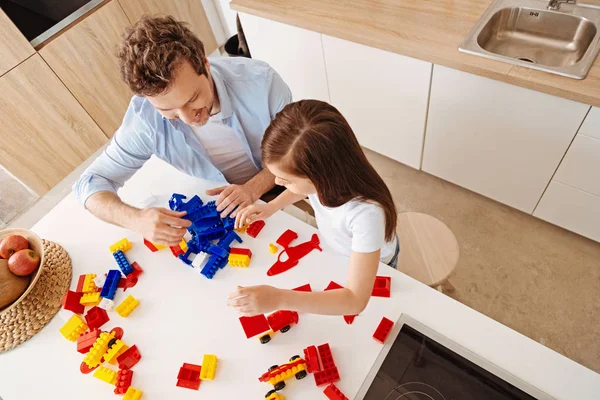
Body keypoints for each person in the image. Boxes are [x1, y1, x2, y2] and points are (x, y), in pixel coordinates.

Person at [73, 16, 292, 246]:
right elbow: (89, 183)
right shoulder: (145, 120)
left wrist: (253, 188)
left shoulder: (262, 82)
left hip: (283, 183)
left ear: (205, 65)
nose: (188, 118)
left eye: (193, 99)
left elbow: (296, 155)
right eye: (169, 110)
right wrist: (137, 219)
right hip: (224, 211)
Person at [228, 100, 399, 316]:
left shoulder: (366, 215)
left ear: (321, 177)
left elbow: (355, 300)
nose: (279, 184)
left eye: (286, 180)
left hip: (378, 263)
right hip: (341, 250)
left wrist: (280, 298)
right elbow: (304, 189)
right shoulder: (330, 180)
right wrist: (271, 207)